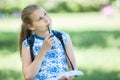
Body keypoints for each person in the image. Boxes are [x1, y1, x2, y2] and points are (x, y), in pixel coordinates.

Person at [19, 4, 77, 80]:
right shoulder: (28, 44)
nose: (46, 20)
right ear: (31, 26)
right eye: (40, 19)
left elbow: (73, 68)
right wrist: (43, 50)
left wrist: (67, 78)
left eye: (45, 14)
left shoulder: (63, 38)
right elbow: (28, 76)